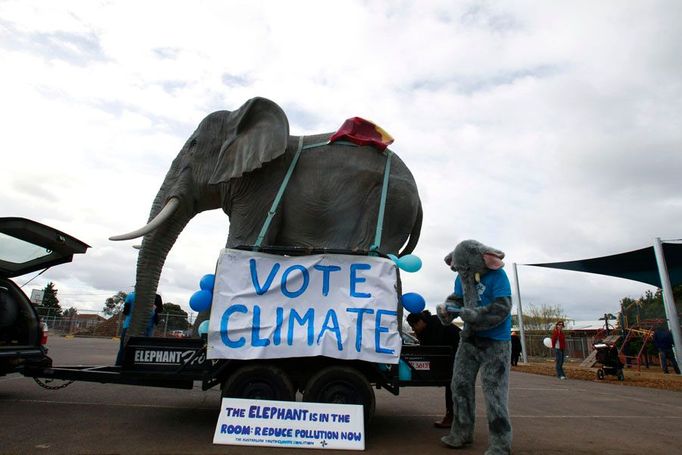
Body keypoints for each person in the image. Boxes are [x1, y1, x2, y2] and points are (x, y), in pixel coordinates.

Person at [406, 310, 461, 428]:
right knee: (452, 385)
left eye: (414, 326)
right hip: (455, 354)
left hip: (461, 353)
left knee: (453, 385)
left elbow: (434, 348)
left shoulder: (436, 323)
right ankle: (453, 417)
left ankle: (453, 418)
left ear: (420, 321)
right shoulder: (429, 325)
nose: (414, 329)